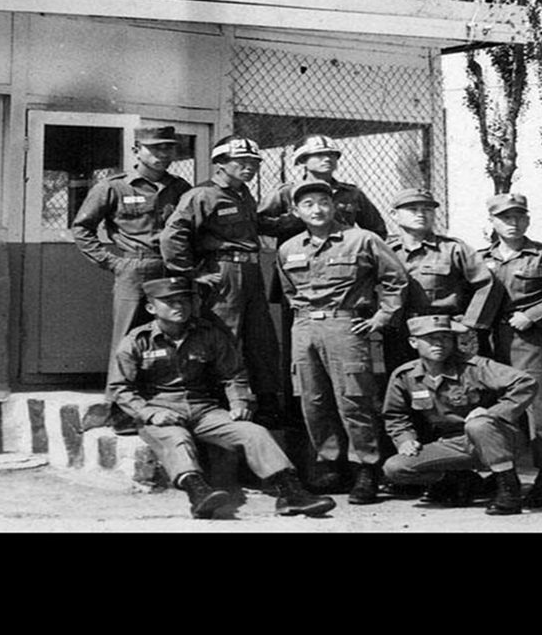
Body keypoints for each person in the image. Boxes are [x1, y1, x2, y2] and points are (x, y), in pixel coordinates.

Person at [107, 276, 335, 519]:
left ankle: (291, 494)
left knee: (253, 432)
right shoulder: (137, 341)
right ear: (151, 308)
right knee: (177, 439)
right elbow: (120, 387)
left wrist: (239, 402)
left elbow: (233, 374)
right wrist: (151, 413)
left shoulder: (208, 334)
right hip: (161, 410)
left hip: (204, 410)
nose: (179, 306)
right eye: (170, 302)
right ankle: (199, 495)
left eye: (185, 300)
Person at [276, 180, 409, 505]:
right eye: (308, 204)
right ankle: (331, 465)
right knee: (313, 400)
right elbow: (288, 290)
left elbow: (396, 279)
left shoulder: (362, 239)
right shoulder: (288, 248)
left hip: (345, 325)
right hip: (304, 326)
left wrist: (382, 316)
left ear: (334, 205)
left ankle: (366, 467)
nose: (317, 210)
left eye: (324, 202)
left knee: (354, 398)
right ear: (296, 211)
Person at [159, 135, 283, 428]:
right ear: (220, 163)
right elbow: (173, 235)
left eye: (254, 162)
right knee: (225, 336)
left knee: (261, 337)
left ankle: (267, 403)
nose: (250, 167)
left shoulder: (244, 194)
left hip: (251, 272)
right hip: (223, 271)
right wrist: (191, 272)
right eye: (241, 161)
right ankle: (218, 402)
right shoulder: (203, 194)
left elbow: (257, 225)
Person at [478, 193, 542, 509]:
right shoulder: (480, 258)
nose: (512, 223)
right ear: (492, 222)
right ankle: (501, 473)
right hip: (488, 339)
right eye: (504, 217)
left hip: (527, 338)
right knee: (494, 404)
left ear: (527, 220)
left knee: (539, 407)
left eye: (518, 216)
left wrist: (533, 315)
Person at [381, 315, 538, 516]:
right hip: (452, 443)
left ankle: (509, 490)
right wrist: (405, 439)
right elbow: (395, 414)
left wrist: (492, 412)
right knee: (395, 468)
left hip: (498, 438)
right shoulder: (405, 375)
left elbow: (526, 382)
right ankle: (459, 481)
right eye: (430, 338)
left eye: (445, 337)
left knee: (478, 425)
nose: (439, 343)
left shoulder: (474, 366)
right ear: (413, 342)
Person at [71, 125, 192, 356]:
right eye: (155, 148)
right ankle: (121, 380)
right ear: (136, 150)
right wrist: (112, 263)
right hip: (136, 268)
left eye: (168, 148)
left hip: (173, 268)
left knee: (173, 333)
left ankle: (165, 380)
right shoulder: (114, 187)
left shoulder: (180, 188)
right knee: (128, 336)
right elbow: (82, 228)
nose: (163, 154)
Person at [382, 187, 501, 377]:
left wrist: (469, 323)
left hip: (442, 329)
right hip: (401, 330)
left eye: (427, 209)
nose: (421, 214)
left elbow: (486, 284)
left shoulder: (453, 249)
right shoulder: (385, 251)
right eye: (412, 209)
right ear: (394, 215)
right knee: (405, 380)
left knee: (452, 382)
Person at [257, 134, 388, 242]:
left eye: (332, 155)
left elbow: (377, 229)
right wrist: (294, 221)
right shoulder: (286, 192)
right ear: (302, 160)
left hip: (341, 256)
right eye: (319, 154)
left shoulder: (351, 193)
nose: (327, 159)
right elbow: (259, 223)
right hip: (298, 257)